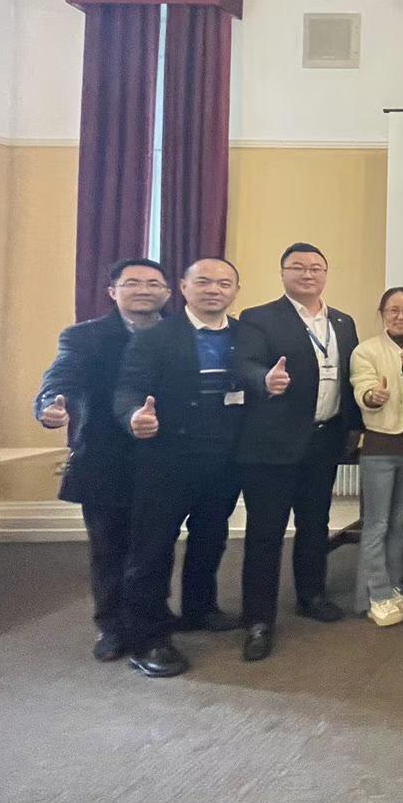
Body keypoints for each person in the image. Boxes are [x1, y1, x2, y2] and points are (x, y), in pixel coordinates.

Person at [112, 258, 248, 678]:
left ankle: (200, 608)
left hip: (223, 458)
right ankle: (148, 638)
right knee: (153, 549)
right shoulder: (157, 336)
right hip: (167, 458)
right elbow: (128, 388)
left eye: (223, 283)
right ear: (184, 289)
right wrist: (134, 416)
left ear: (235, 291)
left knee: (211, 537)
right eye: (203, 281)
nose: (214, 290)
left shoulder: (245, 335)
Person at [34, 258, 174, 661]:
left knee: (156, 549)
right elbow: (61, 378)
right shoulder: (84, 337)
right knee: (109, 549)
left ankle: (152, 621)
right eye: (132, 283)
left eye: (153, 283)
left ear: (168, 293)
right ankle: (112, 626)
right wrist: (51, 405)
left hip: (164, 459)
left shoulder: (180, 334)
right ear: (113, 292)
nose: (144, 289)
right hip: (105, 459)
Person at [234, 242, 360, 662]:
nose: (308, 274)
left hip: (325, 440)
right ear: (283, 272)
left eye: (316, 268)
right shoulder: (259, 318)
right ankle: (258, 619)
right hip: (273, 443)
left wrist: (353, 428)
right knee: (266, 532)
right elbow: (244, 365)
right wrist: (263, 380)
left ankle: (311, 595)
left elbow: (350, 376)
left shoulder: (342, 322)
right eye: (298, 267)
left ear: (325, 273)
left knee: (315, 524)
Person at [350, 287, 403, 627]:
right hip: (381, 448)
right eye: (393, 310)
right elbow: (362, 386)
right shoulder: (366, 350)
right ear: (382, 314)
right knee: (377, 524)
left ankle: (391, 586)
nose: (401, 316)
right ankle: (374, 596)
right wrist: (373, 396)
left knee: (399, 522)